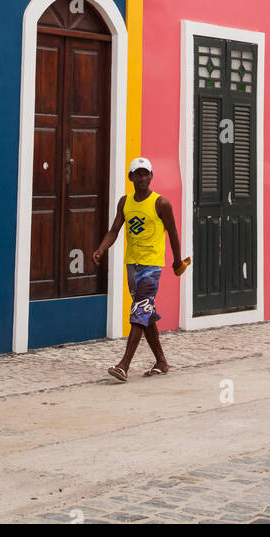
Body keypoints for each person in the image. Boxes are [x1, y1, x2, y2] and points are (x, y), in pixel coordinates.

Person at [93, 157, 186, 381]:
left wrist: (177, 260)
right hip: (132, 264)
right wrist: (101, 249)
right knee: (146, 312)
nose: (143, 178)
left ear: (151, 176)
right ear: (131, 177)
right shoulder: (125, 202)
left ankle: (123, 365)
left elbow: (172, 232)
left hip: (151, 265)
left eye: (146, 174)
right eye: (138, 174)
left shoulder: (160, 203)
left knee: (140, 311)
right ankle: (161, 362)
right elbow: (115, 229)